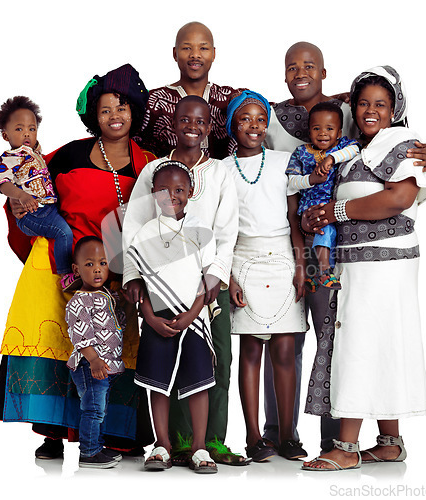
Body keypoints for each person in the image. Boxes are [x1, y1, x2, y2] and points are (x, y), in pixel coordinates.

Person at [262, 41, 426, 456]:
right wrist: (313, 216)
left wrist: (335, 210)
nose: (370, 110)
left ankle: (343, 446)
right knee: (378, 344)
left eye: (380, 103)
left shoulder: (403, 141)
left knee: (359, 345)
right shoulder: (357, 146)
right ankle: (390, 443)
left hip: (384, 264)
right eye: (362, 103)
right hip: (353, 264)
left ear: (396, 109)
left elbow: (397, 198)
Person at [0, 64, 156, 460]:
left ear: (134, 112)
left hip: (112, 273)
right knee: (57, 345)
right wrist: (17, 199)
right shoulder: (67, 154)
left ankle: (115, 435)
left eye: (122, 108)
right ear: (93, 117)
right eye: (105, 110)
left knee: (112, 352)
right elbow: (25, 183)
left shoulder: (146, 163)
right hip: (58, 268)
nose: (114, 117)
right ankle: (52, 433)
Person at [122, 95, 248, 465]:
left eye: (200, 122)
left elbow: (226, 231)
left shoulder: (220, 171)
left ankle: (210, 442)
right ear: (173, 125)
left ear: (209, 128)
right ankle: (174, 443)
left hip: (206, 284)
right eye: (184, 121)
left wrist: (214, 279)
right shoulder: (154, 171)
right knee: (165, 361)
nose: (191, 127)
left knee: (215, 360)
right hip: (160, 285)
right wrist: (133, 278)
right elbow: (133, 229)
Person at [223, 90, 307, 462]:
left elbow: (293, 218)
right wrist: (229, 278)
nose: (254, 126)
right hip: (243, 257)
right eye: (245, 119)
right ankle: (255, 437)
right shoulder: (222, 169)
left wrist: (302, 265)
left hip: (283, 258)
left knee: (286, 350)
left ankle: (288, 434)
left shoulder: (284, 161)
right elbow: (220, 228)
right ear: (231, 126)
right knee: (251, 350)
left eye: (261, 119)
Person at [127, 161, 218, 473]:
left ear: (190, 192)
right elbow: (137, 277)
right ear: (153, 193)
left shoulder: (201, 230)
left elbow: (209, 277)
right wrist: (149, 318)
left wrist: (192, 314)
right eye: (164, 190)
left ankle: (200, 448)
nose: (171, 196)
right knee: (157, 382)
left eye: (179, 190)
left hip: (194, 316)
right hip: (158, 317)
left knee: (199, 382)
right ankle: (161, 444)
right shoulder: (144, 233)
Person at [0, 96, 76, 291]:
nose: (27, 134)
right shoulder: (8, 159)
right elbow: (3, 184)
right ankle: (66, 275)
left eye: (32, 129)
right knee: (62, 232)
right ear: (6, 136)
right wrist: (19, 196)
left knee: (72, 224)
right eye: (19, 129)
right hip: (31, 214)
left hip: (49, 208)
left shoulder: (34, 152)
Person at [135, 21, 242, 159]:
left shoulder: (231, 100)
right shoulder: (154, 102)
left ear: (214, 53)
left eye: (203, 48)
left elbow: (266, 116)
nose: (195, 55)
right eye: (186, 48)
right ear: (175, 53)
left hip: (224, 180)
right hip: (167, 179)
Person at [286, 102, 360, 290]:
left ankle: (318, 273)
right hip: (312, 206)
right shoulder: (301, 153)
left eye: (329, 128)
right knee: (323, 231)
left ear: (339, 132)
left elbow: (356, 149)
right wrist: (310, 179)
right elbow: (292, 182)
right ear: (309, 131)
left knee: (333, 237)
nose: (322, 133)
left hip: (337, 205)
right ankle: (324, 272)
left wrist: (331, 158)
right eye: (316, 128)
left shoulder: (342, 147)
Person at [66, 236, 124, 469]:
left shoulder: (106, 295)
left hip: (104, 366)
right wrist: (94, 360)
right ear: (76, 269)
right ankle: (89, 453)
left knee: (101, 408)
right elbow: (80, 335)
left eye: (102, 263)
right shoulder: (79, 302)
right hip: (89, 366)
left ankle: (97, 445)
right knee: (93, 408)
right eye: (89, 264)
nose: (97, 270)